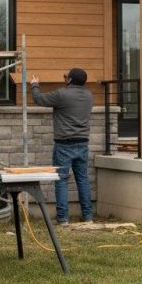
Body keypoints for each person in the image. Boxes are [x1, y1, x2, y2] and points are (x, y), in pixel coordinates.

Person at [31, 68, 94, 226]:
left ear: (70, 80)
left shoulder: (62, 94)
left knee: (61, 180)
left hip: (64, 144)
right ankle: (87, 217)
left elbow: (39, 99)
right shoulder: (89, 95)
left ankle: (63, 218)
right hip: (82, 143)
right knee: (83, 180)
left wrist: (34, 85)